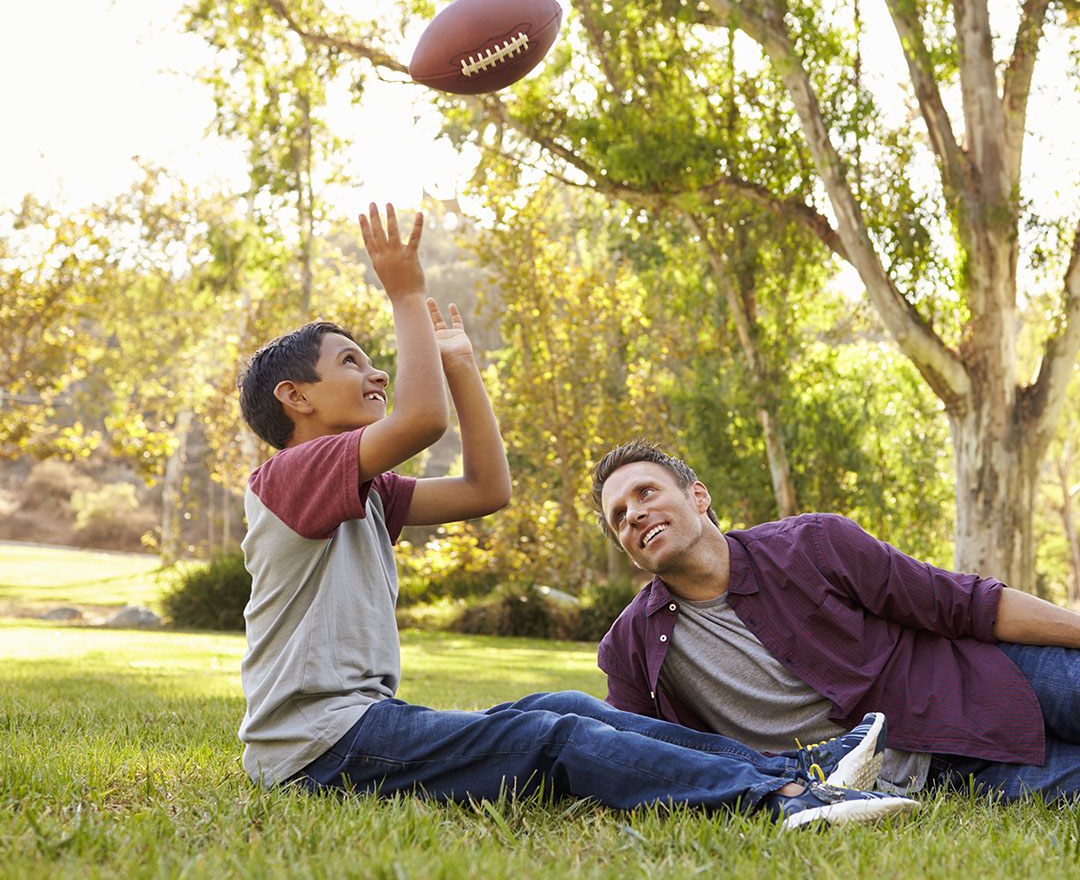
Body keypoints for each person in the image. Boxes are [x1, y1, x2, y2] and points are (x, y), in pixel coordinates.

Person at [234, 204, 917, 829]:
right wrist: (405, 291)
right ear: (294, 396)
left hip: (359, 726)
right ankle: (781, 801)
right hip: (316, 747)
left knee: (567, 707)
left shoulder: (366, 491)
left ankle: (804, 771)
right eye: (352, 362)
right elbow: (421, 419)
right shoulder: (291, 475)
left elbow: (484, 490)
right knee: (551, 741)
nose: (376, 372)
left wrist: (464, 368)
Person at [590, 439, 1080, 801]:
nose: (634, 514)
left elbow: (960, 602)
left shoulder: (814, 544)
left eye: (646, 492)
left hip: (981, 681)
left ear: (698, 496)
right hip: (935, 779)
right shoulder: (632, 648)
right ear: (628, 551)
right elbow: (642, 758)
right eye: (619, 515)